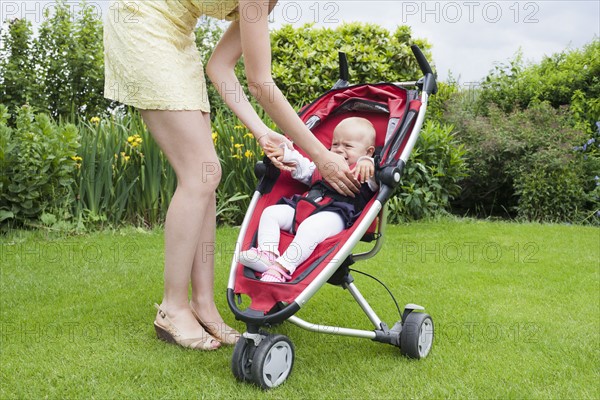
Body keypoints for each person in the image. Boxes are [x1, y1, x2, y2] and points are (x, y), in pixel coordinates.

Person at [103, 0, 360, 350]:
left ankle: (203, 305)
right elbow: (260, 83)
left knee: (207, 173)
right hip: (143, 23)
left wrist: (261, 132)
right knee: (200, 175)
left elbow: (221, 67)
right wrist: (320, 155)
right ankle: (172, 308)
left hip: (178, 34)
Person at [239, 117, 379, 282]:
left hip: (335, 215)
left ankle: (281, 268)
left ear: (368, 151)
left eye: (348, 146)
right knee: (271, 213)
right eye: (335, 144)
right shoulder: (324, 164)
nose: (339, 150)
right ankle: (267, 253)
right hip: (305, 207)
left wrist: (368, 162)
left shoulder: (365, 171)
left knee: (309, 228)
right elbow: (304, 167)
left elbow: (377, 177)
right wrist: (287, 155)